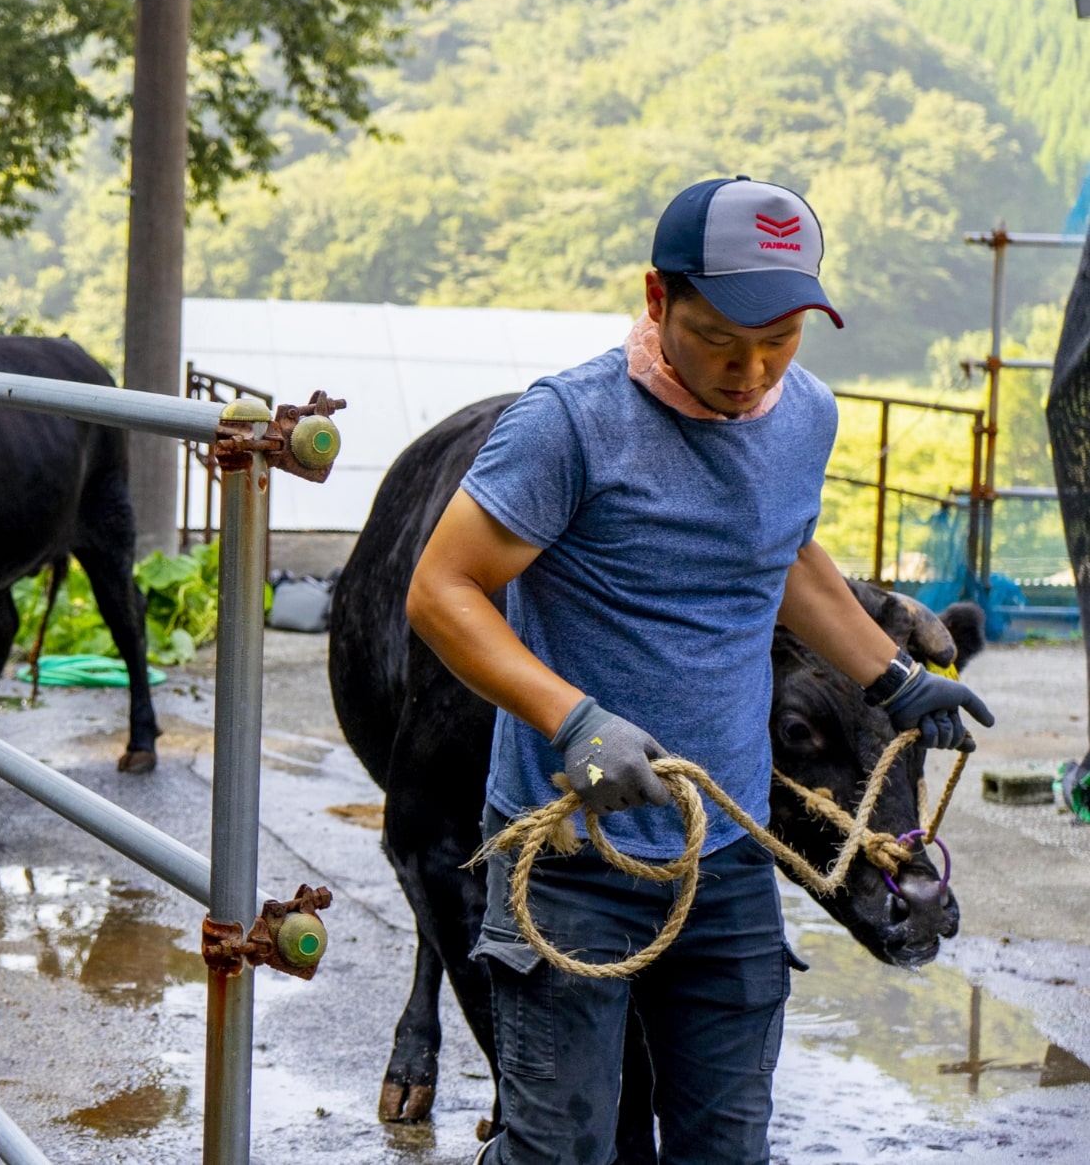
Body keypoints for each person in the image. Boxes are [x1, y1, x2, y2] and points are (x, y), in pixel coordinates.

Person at [405, 177, 995, 1165]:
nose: (750, 370)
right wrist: (571, 719)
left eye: (780, 340)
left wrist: (890, 675)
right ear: (656, 297)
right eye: (720, 338)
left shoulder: (802, 414)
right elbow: (439, 590)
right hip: (572, 857)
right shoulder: (569, 425)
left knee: (726, 1148)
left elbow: (783, 552)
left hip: (726, 855)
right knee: (558, 1150)